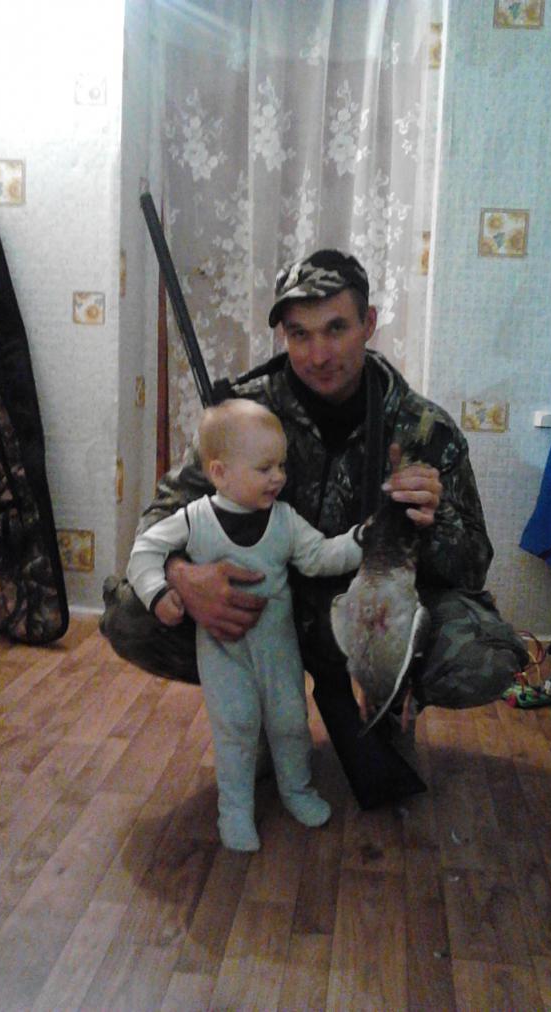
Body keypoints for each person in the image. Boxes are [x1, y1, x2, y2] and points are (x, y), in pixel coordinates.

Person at [101, 248, 528, 811]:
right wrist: (184, 578)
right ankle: (255, 709)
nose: (318, 354)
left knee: (483, 655)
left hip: (370, 618)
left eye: (336, 329)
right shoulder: (242, 415)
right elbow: (160, 520)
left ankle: (387, 699)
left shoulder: (424, 428)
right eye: (299, 334)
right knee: (133, 615)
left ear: (368, 324)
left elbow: (473, 566)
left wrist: (433, 519)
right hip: (264, 612)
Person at [127, 399, 362, 851]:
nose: (278, 477)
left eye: (281, 466)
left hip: (279, 651)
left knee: (290, 721)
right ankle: (234, 810)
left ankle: (297, 790)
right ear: (219, 473)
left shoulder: (284, 520)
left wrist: (361, 540)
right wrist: (157, 593)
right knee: (235, 727)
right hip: (223, 652)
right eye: (264, 468)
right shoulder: (195, 519)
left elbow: (320, 557)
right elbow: (144, 550)